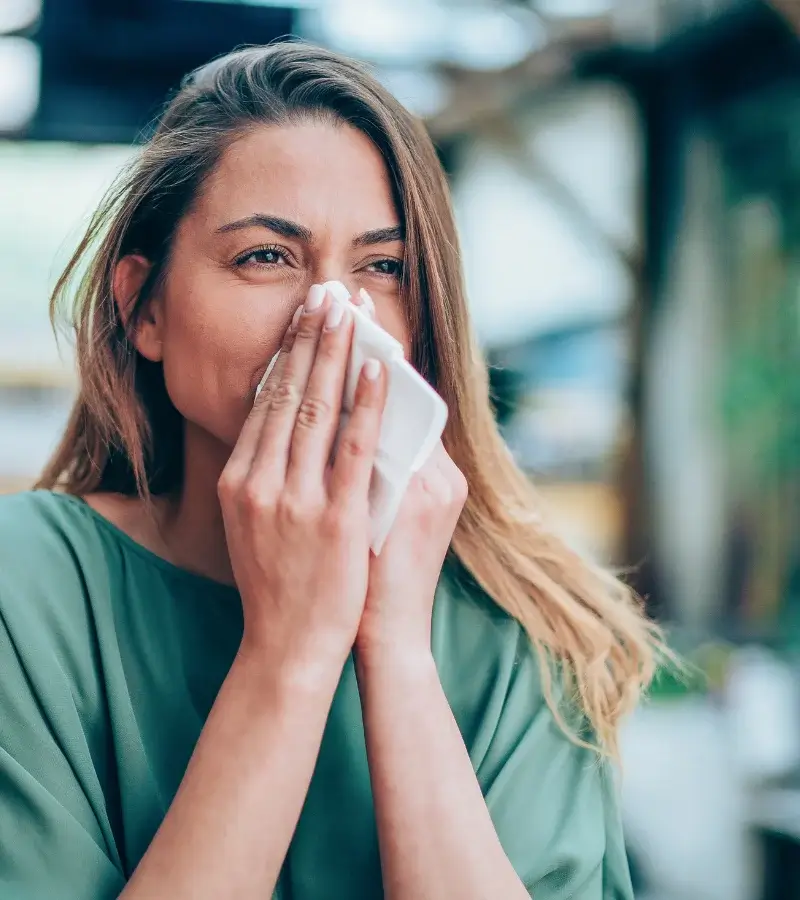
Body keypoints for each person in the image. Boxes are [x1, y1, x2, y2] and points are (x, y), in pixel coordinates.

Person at [0, 42, 661, 900]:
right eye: (266, 257)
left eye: (382, 268)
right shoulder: (27, 588)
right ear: (143, 307)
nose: (335, 313)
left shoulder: (523, 627)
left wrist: (396, 651)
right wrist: (290, 653)